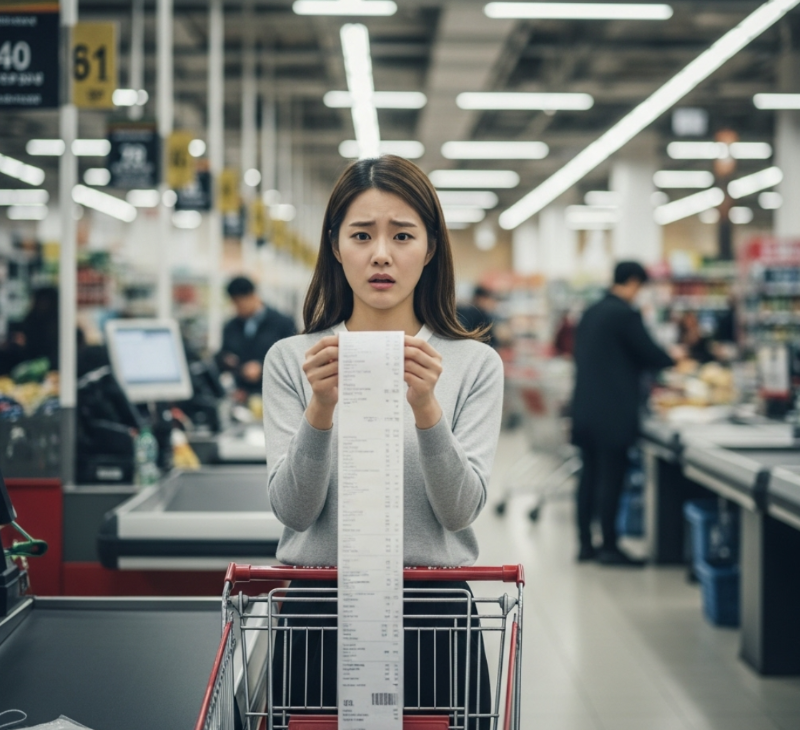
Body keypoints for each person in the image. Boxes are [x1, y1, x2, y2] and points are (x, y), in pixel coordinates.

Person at [263, 155, 504, 726]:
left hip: (433, 617)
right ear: (335, 246)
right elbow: (293, 512)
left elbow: (459, 510)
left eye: (402, 235)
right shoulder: (293, 361)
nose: (381, 254)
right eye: (362, 234)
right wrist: (320, 408)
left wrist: (426, 407)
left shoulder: (473, 365)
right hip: (317, 615)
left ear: (431, 247)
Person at [571, 261, 675, 566]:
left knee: (588, 476)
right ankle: (610, 547)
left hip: (585, 407)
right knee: (611, 479)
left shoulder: (590, 312)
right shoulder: (625, 314)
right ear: (632, 282)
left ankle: (585, 545)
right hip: (613, 412)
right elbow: (650, 354)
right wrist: (672, 358)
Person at [215, 276, 296, 398]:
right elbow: (222, 354)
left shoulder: (283, 323)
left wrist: (262, 367)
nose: (237, 308)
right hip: (240, 394)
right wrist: (227, 360)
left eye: (240, 303)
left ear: (253, 295)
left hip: (274, 393)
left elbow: (291, 358)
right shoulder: (231, 326)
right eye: (234, 303)